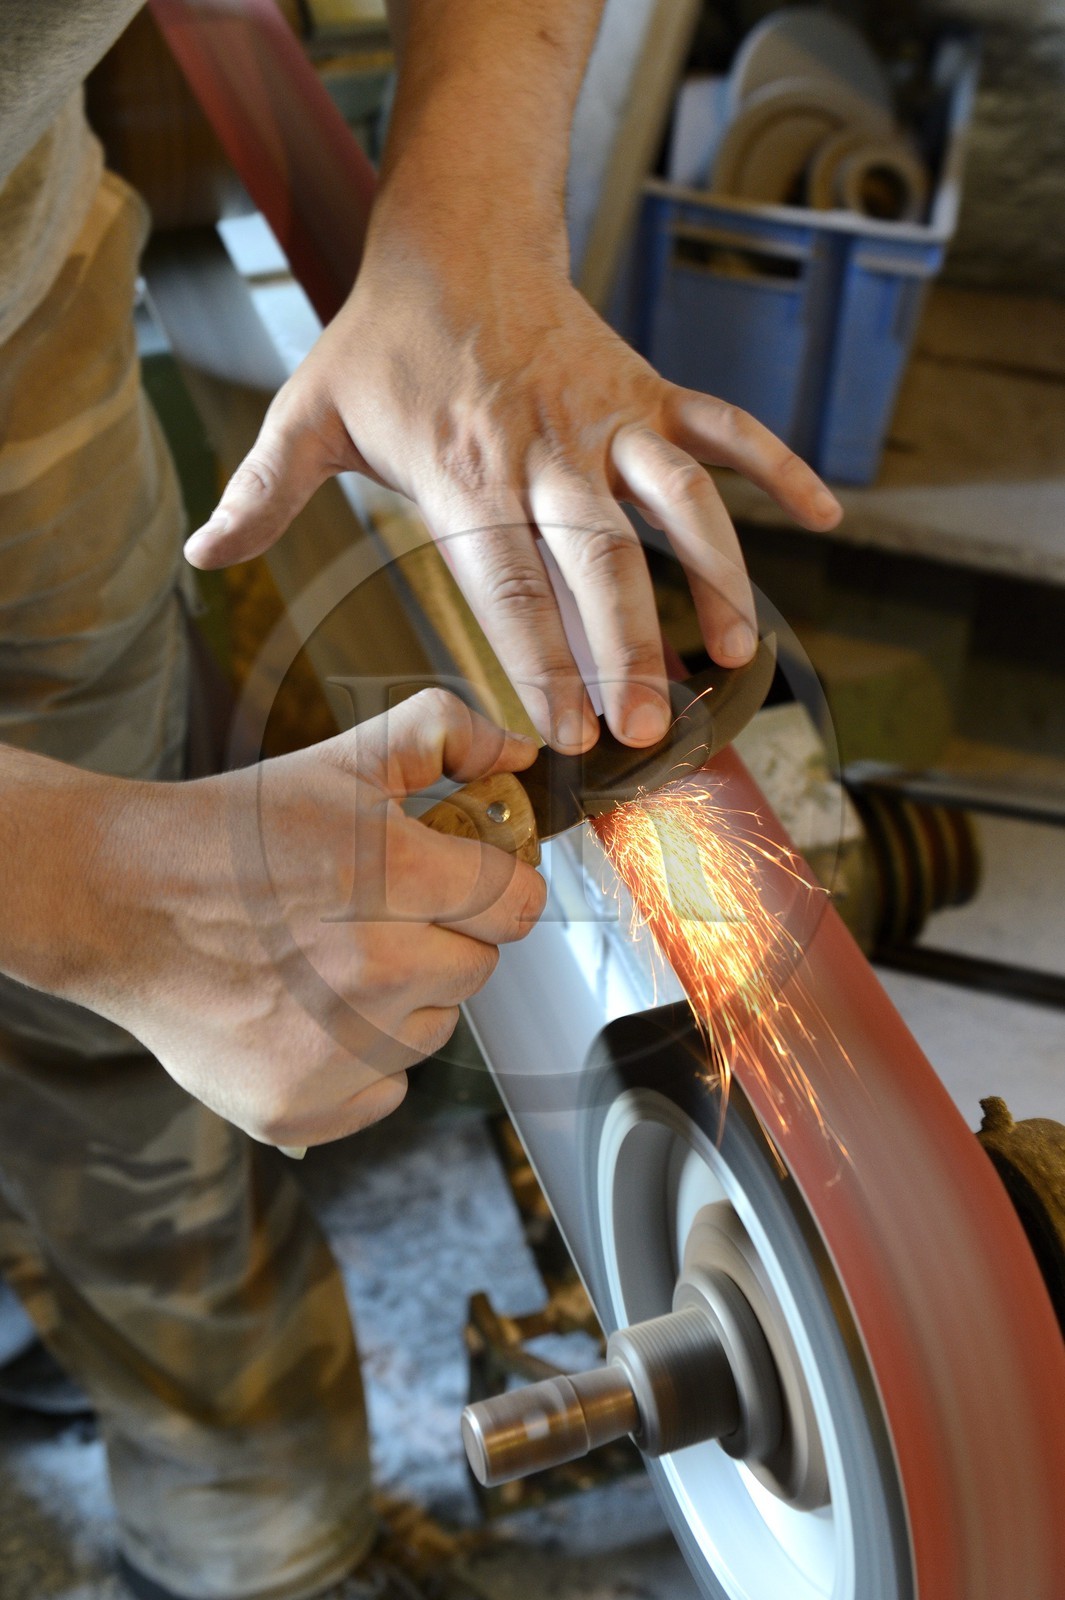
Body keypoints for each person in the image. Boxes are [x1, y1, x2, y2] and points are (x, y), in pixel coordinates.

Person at [0, 3, 842, 1598]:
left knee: (115, 1047)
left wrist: (466, 202)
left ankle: (255, 1540)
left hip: (15, 284)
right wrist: (79, 877)